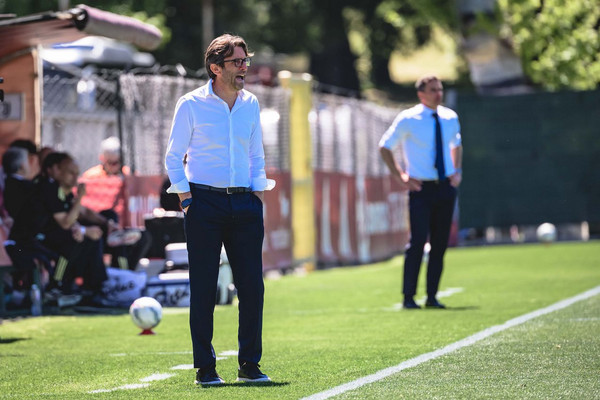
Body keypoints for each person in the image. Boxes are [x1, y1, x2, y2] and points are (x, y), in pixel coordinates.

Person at [165, 34, 275, 385]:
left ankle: (249, 365)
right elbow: (173, 156)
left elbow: (256, 154)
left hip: (245, 203)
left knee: (252, 288)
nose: (244, 67)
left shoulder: (251, 103)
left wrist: (257, 195)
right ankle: (205, 368)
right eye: (237, 62)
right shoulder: (191, 104)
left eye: (245, 61)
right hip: (203, 204)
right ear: (215, 67)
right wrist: (186, 199)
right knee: (204, 288)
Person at [379, 75, 463, 310]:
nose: (438, 94)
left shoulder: (450, 117)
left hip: (444, 187)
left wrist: (457, 171)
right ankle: (409, 297)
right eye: (433, 90)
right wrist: (400, 176)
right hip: (421, 188)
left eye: (440, 89)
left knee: (439, 244)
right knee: (417, 242)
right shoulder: (408, 118)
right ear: (421, 94)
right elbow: (385, 146)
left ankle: (432, 296)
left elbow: (456, 144)